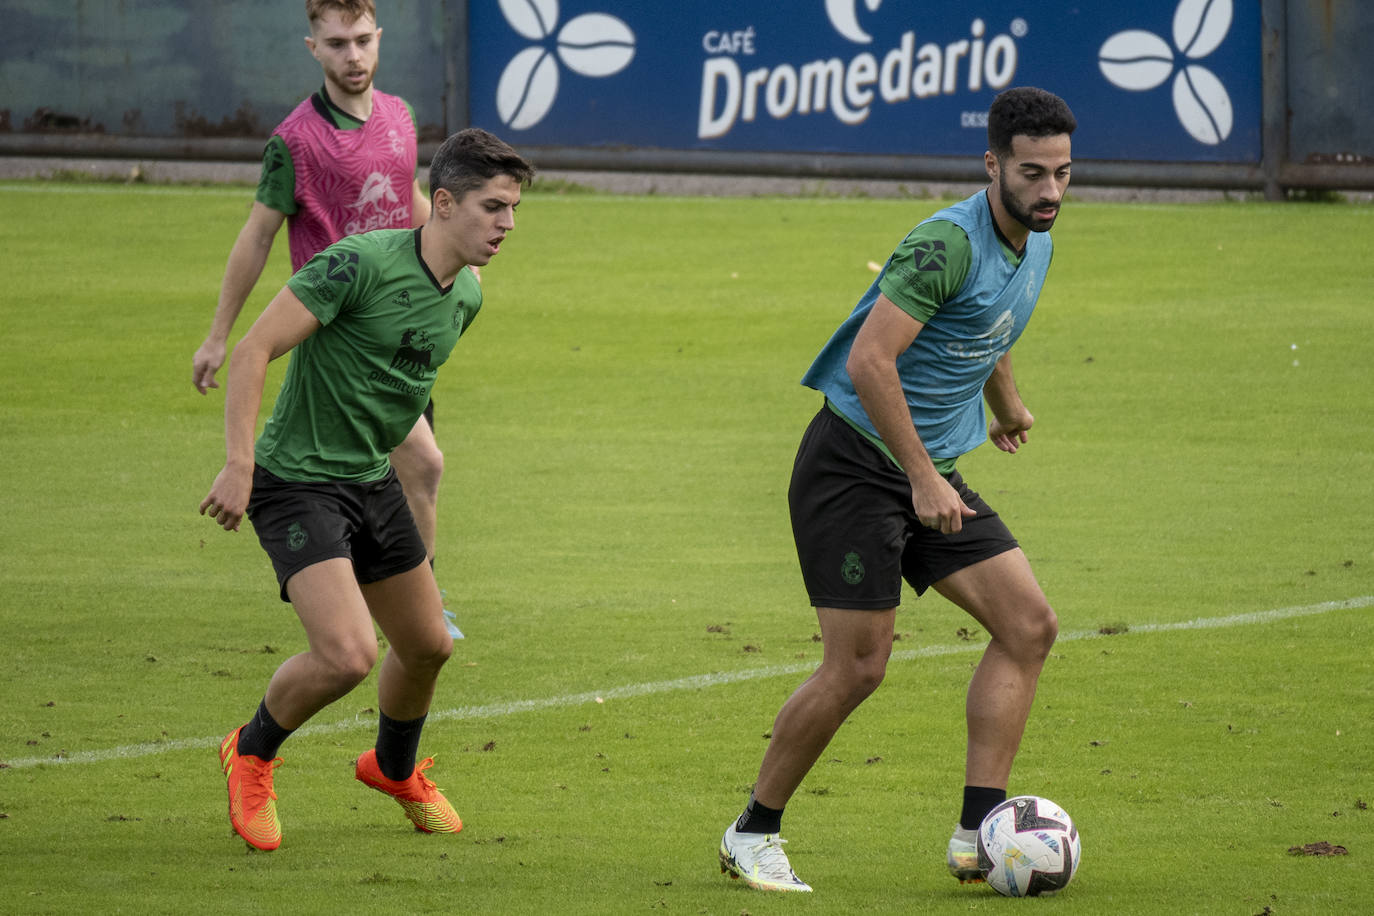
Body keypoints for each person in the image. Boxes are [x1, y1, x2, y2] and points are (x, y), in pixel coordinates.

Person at [718, 86, 1077, 892]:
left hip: (928, 470)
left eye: (1060, 172)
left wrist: (1003, 400)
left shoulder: (1040, 238)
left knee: (1028, 625)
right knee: (858, 667)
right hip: (853, 467)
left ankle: (976, 835)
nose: (1049, 191)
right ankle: (752, 833)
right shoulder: (942, 244)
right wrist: (919, 477)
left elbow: (990, 322)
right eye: (1031, 173)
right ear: (992, 166)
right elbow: (870, 362)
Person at [201, 128, 534, 851]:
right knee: (348, 655)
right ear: (442, 203)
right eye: (493, 207)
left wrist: (419, 462)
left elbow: (393, 381)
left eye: (513, 209)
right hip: (295, 482)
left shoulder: (466, 295)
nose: (508, 224)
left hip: (369, 480)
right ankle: (251, 752)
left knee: (427, 645)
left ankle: (391, 768)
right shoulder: (355, 265)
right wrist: (238, 461)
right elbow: (257, 349)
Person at [191, 0, 466, 638]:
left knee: (410, 467)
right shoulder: (295, 141)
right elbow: (257, 237)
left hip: (404, 323)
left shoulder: (400, 116)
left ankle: (407, 592)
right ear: (312, 48)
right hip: (339, 332)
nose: (354, 56)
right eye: (337, 44)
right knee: (422, 462)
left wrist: (456, 253)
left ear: (380, 39)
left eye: (363, 40)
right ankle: (417, 602)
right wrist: (218, 334)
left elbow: (411, 199)